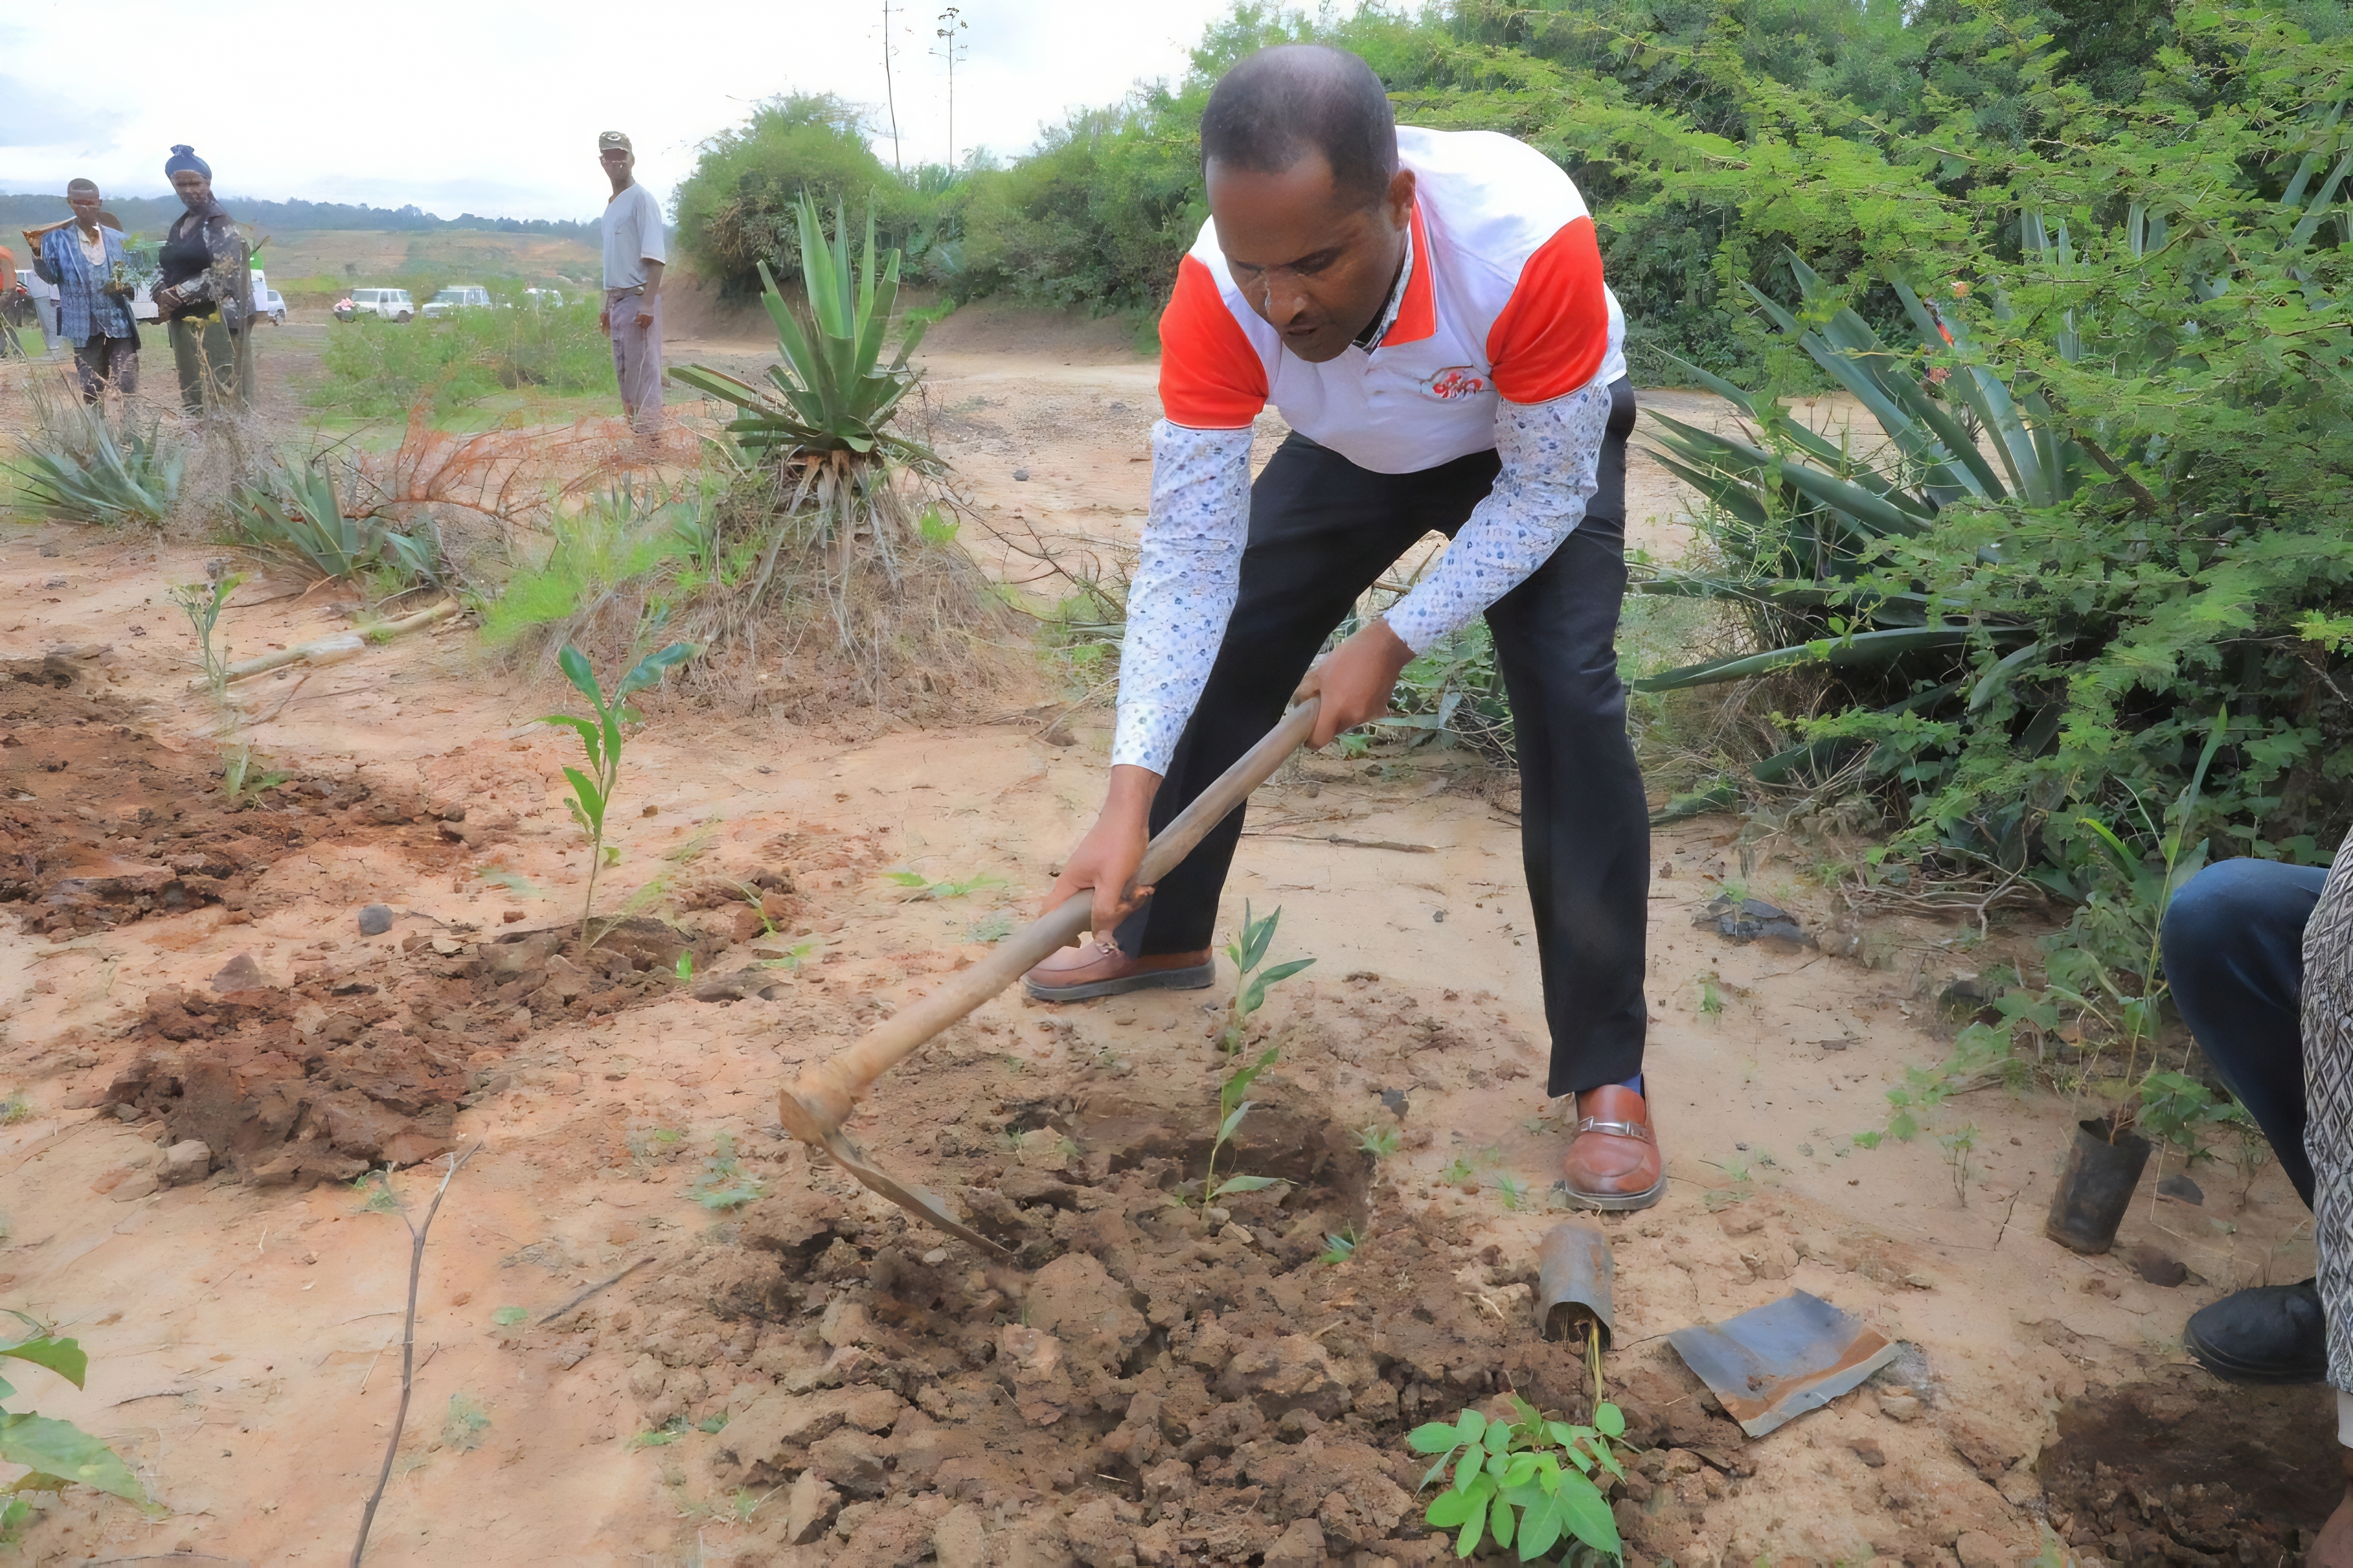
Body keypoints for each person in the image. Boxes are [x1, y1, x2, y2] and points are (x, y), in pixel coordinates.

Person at [1025, 45, 1659, 1209]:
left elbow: (1542, 495)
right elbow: (1186, 560)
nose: (1285, 303)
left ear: (1398, 202)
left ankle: (1607, 1071)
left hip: (1525, 448)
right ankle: (1163, 931)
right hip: (1356, 450)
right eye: (1256, 267)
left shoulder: (1524, 243)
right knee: (1227, 643)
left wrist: (1395, 637)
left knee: (1569, 696)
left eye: (1316, 261)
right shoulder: (1221, 291)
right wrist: (1125, 800)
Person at [152, 144, 252, 414]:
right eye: (180, 184)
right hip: (186, 322)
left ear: (207, 182)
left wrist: (177, 295)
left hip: (220, 320)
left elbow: (225, 274)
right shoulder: (180, 225)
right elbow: (168, 264)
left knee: (223, 389)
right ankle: (202, 446)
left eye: (194, 183)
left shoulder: (220, 223)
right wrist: (159, 289)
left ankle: (229, 450)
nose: (188, 190)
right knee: (194, 390)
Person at [26, 180, 141, 404]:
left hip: (119, 322)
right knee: (91, 387)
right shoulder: (53, 241)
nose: (84, 207)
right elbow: (51, 278)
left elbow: (132, 284)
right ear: (70, 203)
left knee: (127, 381)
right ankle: (97, 433)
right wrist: (38, 256)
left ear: (99, 203)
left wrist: (125, 286)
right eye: (78, 203)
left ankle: (130, 433)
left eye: (89, 202)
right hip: (81, 324)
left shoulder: (121, 241)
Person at [596, 130, 666, 435]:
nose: (615, 161)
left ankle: (651, 445)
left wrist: (649, 304)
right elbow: (615, 260)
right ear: (602, 162)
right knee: (625, 374)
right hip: (619, 304)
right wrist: (606, 306)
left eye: (620, 155)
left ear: (632, 159)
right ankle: (640, 440)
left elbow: (655, 257)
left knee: (644, 374)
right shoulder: (612, 206)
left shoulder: (642, 200)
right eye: (609, 156)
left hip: (639, 302)